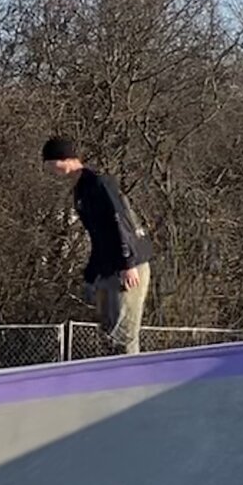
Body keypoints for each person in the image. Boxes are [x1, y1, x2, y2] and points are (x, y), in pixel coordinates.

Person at [42, 135, 154, 355]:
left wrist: (127, 263)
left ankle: (129, 379)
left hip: (127, 265)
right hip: (108, 267)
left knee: (124, 331)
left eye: (50, 163)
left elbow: (119, 221)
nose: (48, 169)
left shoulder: (99, 183)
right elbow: (97, 236)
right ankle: (111, 375)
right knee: (108, 329)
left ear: (65, 158)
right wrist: (91, 275)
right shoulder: (81, 190)